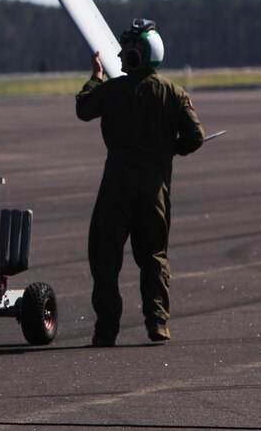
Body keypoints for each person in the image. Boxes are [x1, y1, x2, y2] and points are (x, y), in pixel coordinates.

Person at [75, 19, 205, 347]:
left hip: (116, 187)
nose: (119, 55)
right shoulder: (174, 93)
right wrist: (169, 150)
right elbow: (195, 137)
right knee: (154, 256)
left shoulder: (112, 90)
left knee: (105, 258)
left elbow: (84, 109)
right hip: (155, 189)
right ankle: (158, 322)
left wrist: (95, 77)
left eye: (125, 50)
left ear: (137, 54)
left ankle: (106, 330)